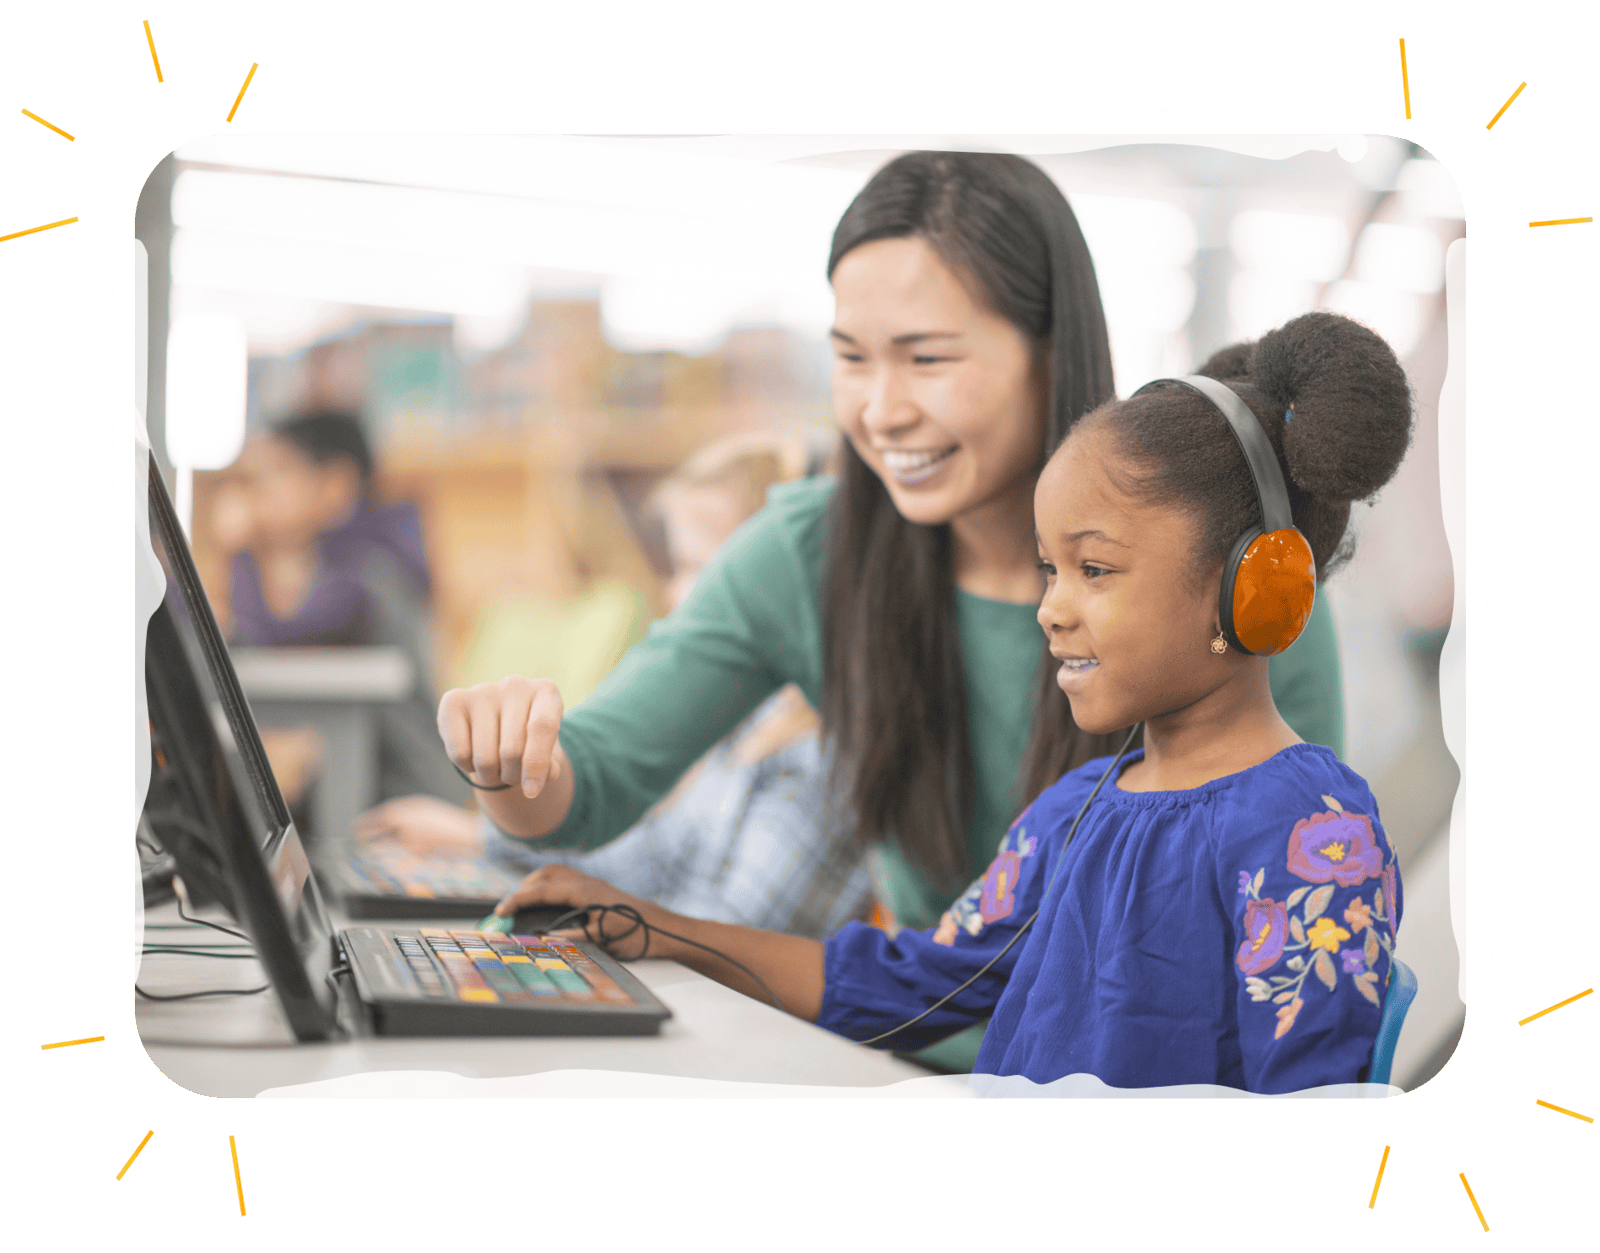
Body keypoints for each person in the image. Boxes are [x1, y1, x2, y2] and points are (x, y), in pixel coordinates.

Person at [436, 151, 1347, 1072]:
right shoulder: (1062, 801)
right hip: (909, 1072)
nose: (880, 410)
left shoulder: (1259, 670)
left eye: (927, 357)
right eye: (850, 358)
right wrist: (519, 767)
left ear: (1049, 347)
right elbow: (918, 980)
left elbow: (1304, 1058)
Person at [357, 433, 873, 940]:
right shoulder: (745, 727)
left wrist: (611, 919)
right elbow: (651, 858)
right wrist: (477, 838)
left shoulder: (813, 753)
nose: (674, 595)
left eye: (697, 569)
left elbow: (737, 936)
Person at [217, 410, 468, 815]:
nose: (257, 492)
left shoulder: (373, 572)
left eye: (279, 472)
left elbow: (280, 635)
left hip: (412, 795)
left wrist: (240, 555)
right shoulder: (333, 563)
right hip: (360, 782)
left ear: (336, 485)